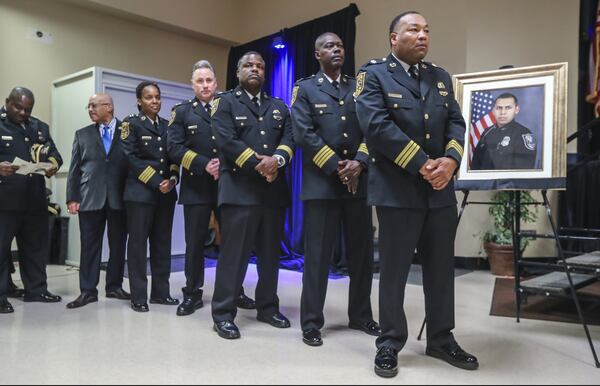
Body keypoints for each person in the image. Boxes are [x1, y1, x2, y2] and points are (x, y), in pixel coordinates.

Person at [355, 12, 479, 377]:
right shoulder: (374, 74)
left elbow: (457, 122)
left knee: (441, 269)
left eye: (427, 30)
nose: (423, 35)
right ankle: (390, 342)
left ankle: (441, 339)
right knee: (393, 272)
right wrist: (425, 164)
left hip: (439, 191)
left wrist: (452, 162)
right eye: (414, 29)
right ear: (394, 38)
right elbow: (376, 126)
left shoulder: (439, 77)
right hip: (398, 191)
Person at [291, 32, 380, 347]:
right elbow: (303, 132)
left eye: (340, 45)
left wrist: (359, 161)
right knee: (317, 257)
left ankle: (361, 315)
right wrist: (336, 166)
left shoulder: (359, 86)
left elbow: (373, 127)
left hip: (358, 184)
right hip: (322, 186)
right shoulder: (304, 89)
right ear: (317, 54)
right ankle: (312, 322)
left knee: (361, 256)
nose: (336, 50)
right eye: (329, 46)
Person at [211, 51, 294, 339]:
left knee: (271, 256)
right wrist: (261, 164)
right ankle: (223, 313)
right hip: (239, 191)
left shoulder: (278, 106)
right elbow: (226, 139)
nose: (255, 69)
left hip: (273, 193)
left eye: (260, 65)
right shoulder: (224, 102)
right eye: (248, 65)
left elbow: (290, 139)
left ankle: (268, 307)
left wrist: (278, 161)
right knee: (234, 256)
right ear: (238, 72)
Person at [167, 60, 255, 316]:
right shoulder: (182, 112)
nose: (205, 85)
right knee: (194, 244)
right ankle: (192, 293)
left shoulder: (230, 105)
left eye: (209, 80)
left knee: (233, 243)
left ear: (216, 83)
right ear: (192, 85)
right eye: (199, 81)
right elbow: (174, 148)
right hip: (197, 187)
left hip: (230, 184)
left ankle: (234, 291)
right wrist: (204, 164)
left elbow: (241, 139)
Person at [0, 87, 63, 314]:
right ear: (8, 102)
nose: (23, 113)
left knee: (36, 248)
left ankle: (36, 290)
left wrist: (53, 166)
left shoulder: (39, 127)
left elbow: (55, 154)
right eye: (18, 107)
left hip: (34, 199)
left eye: (28, 109)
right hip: (5, 201)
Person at [65, 93, 130, 309]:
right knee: (89, 247)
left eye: (94, 105)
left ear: (109, 107)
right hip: (89, 199)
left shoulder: (128, 131)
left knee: (118, 245)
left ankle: (114, 286)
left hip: (120, 199)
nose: (90, 109)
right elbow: (74, 169)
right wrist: (72, 197)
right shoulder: (82, 135)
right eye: (89, 106)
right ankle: (88, 290)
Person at [121, 81, 180, 313]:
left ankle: (161, 293)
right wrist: (158, 182)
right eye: (149, 97)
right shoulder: (130, 124)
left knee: (162, 244)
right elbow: (131, 157)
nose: (154, 101)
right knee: (137, 246)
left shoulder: (168, 126)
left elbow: (174, 156)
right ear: (139, 101)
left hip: (166, 195)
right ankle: (138, 296)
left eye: (157, 97)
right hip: (140, 194)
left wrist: (173, 179)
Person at [471, 93, 537, 170]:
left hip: (509, 182)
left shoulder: (523, 134)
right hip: (483, 181)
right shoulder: (487, 132)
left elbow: (523, 171)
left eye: (508, 108)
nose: (503, 112)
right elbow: (475, 164)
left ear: (516, 110)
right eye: (499, 108)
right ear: (493, 110)